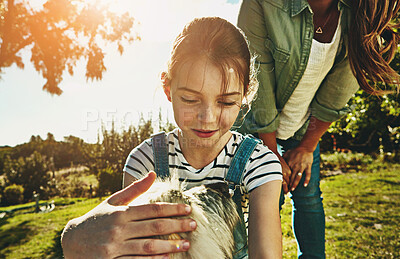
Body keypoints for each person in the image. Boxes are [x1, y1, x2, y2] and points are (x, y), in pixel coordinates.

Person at [61, 17, 283, 258]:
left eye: (226, 102)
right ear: (168, 89)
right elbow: (134, 247)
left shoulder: (260, 164)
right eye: (190, 99)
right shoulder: (145, 162)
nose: (207, 118)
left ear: (245, 94)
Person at [235, 0, 400, 258]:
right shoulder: (262, 4)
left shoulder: (360, 14)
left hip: (304, 128)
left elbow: (337, 91)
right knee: (265, 199)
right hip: (255, 129)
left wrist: (307, 146)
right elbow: (258, 81)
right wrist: (270, 153)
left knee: (309, 200)